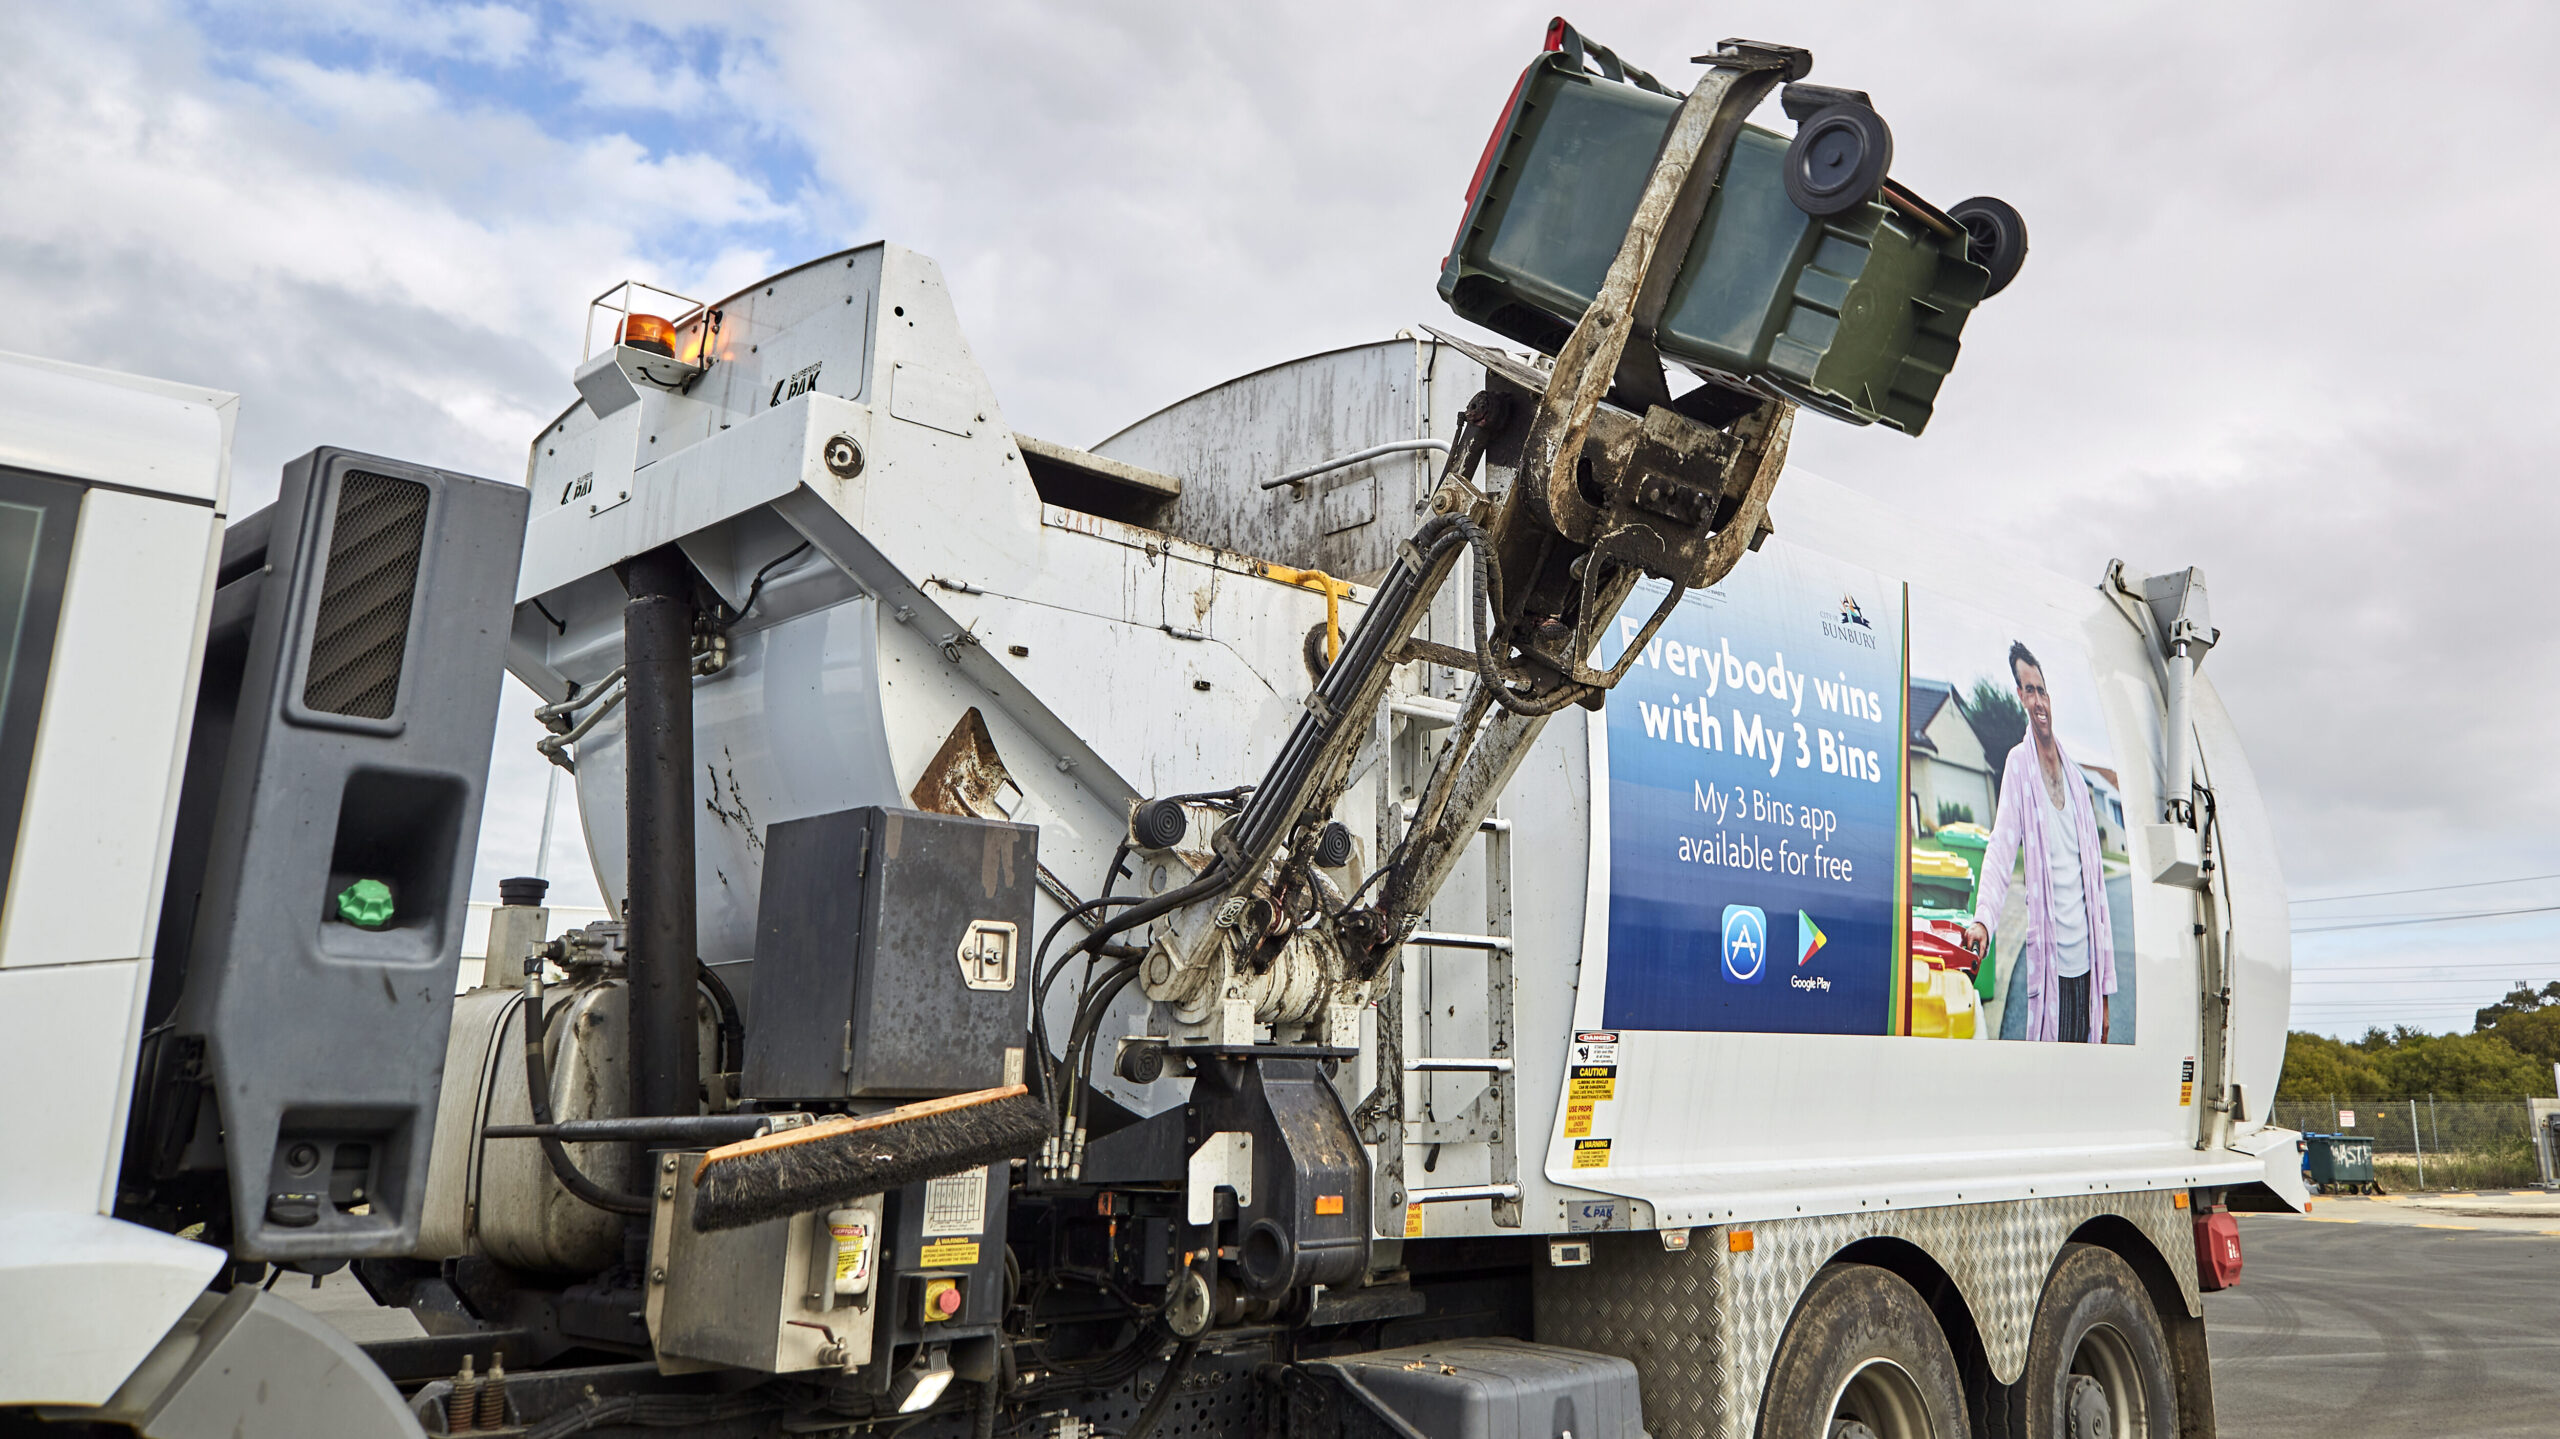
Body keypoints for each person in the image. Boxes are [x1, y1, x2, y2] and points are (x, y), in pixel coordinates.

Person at [1961, 642, 2115, 1042]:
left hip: (2088, 964)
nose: (2037, 701)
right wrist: (1983, 920)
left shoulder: (2079, 784)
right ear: (2020, 698)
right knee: (2051, 1083)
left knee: (2085, 1079)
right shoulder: (2019, 766)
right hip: (2052, 963)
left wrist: (2106, 995)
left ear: (2050, 696)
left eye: (2041, 690)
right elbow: (2000, 847)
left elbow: (2098, 892)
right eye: (2028, 691)